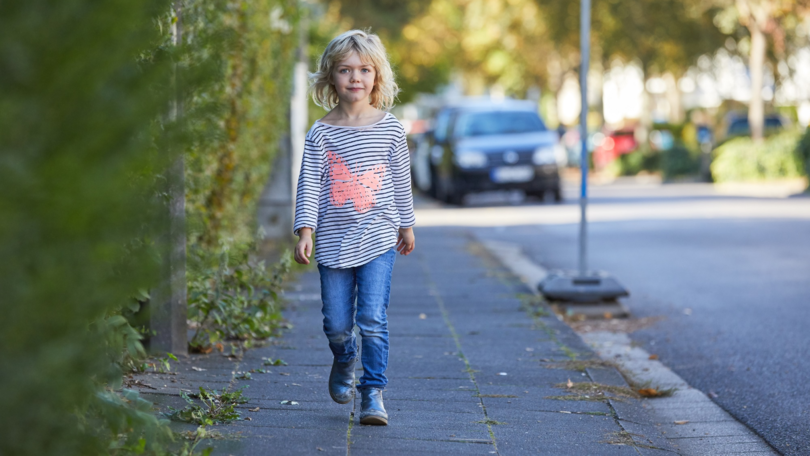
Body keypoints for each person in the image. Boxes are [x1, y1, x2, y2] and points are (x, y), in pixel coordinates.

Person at [292, 30, 416, 426]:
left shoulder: (390, 128)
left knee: (373, 319)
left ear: (377, 76)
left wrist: (407, 226)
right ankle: (344, 359)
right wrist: (305, 231)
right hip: (331, 240)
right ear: (330, 77)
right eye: (345, 70)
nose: (355, 78)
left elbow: (400, 179)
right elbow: (309, 183)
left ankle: (373, 393)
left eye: (364, 70)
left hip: (378, 236)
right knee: (336, 323)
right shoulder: (321, 133)